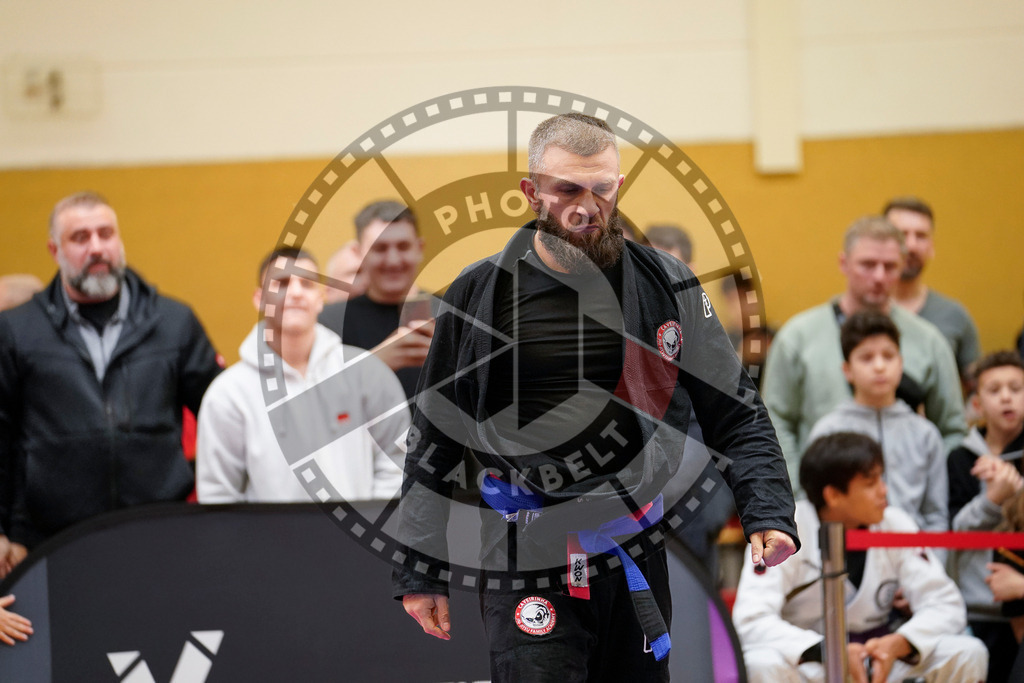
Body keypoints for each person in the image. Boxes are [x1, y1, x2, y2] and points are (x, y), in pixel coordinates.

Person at [393, 112, 798, 683]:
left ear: (619, 187)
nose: (586, 207)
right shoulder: (480, 293)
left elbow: (736, 413)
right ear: (531, 194)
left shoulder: (668, 287)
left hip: (633, 540)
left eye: (601, 188)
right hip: (527, 548)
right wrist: (421, 568)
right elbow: (434, 433)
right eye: (566, 190)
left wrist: (768, 511)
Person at [0, 191, 222, 568]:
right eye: (80, 238)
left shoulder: (173, 322)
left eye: (106, 234)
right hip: (51, 541)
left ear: (120, 241)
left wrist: (213, 505)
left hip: (161, 534)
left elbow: (221, 416)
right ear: (55, 251)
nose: (97, 248)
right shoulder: (17, 330)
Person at [734, 432, 987, 683]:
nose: (884, 491)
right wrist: (826, 650)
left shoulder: (895, 523)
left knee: (968, 652)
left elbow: (945, 603)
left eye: (882, 479)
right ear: (833, 495)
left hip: (878, 660)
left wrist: (901, 643)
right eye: (870, 483)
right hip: (813, 662)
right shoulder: (784, 532)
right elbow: (751, 619)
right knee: (760, 664)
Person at [762, 215, 966, 494]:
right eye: (868, 265)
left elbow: (952, 430)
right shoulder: (797, 337)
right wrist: (801, 496)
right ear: (844, 263)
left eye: (890, 266)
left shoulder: (929, 342)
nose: (879, 277)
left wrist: (924, 492)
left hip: (906, 513)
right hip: (820, 503)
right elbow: (775, 422)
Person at [196, 248, 407, 503]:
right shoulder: (229, 393)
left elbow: (396, 465)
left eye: (306, 284)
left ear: (320, 298)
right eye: (281, 283)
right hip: (269, 543)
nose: (295, 293)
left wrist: (369, 526)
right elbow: (219, 495)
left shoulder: (367, 373)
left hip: (357, 540)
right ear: (260, 299)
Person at [807, 310, 947, 532]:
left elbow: (936, 516)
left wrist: (931, 564)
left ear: (901, 364)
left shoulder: (925, 433)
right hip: (850, 554)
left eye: (888, 356)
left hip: (913, 556)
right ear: (847, 370)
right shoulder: (827, 432)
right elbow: (816, 510)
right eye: (866, 357)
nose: (880, 366)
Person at [948, 350, 1024, 682]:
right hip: (975, 607)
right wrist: (992, 499)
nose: (1006, 397)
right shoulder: (961, 458)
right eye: (994, 390)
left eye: (1016, 388)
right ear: (976, 404)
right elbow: (955, 532)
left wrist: (1015, 487)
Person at [319, 201, 433, 398]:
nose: (393, 260)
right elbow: (315, 401)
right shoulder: (330, 322)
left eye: (403, 246)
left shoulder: (453, 312)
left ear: (420, 248)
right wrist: (376, 363)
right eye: (380, 248)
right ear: (358, 253)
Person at [884, 197, 981, 383]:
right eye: (902, 234)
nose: (911, 246)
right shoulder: (859, 311)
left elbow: (976, 389)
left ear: (932, 247)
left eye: (921, 236)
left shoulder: (954, 315)